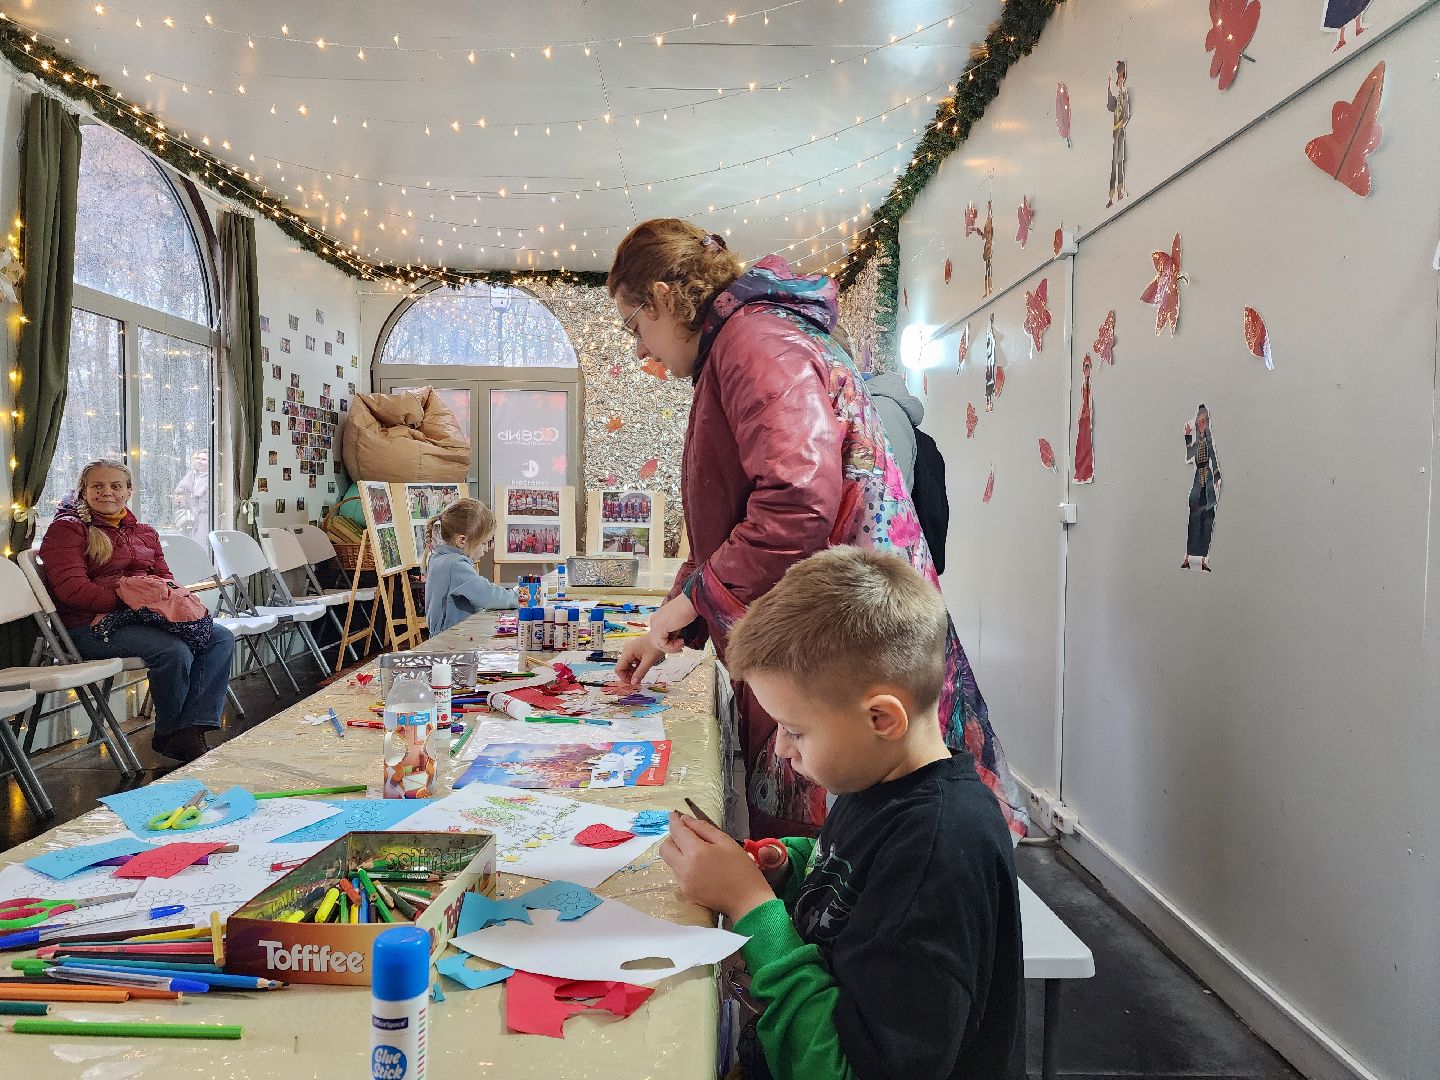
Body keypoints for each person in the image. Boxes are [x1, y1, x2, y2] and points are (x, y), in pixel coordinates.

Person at [608, 217, 1026, 842]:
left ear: (665, 299)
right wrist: (678, 611)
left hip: (839, 632)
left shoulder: (753, 343)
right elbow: (750, 514)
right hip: (841, 614)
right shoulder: (751, 339)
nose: (641, 349)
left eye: (634, 325)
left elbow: (795, 499)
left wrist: (696, 599)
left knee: (868, 842)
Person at [660, 548, 1024, 1080]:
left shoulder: (939, 851)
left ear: (881, 717)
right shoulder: (879, 780)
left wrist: (751, 906)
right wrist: (787, 865)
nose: (782, 749)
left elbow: (854, 1068)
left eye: (795, 729)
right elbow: (854, 871)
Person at [39, 459, 236, 762]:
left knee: (219, 637)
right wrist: (135, 601)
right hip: (89, 625)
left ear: (128, 491)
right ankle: (172, 732)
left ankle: (189, 729)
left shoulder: (143, 531)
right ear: (84, 491)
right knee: (174, 651)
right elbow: (72, 592)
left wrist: (164, 597)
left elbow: (164, 575)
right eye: (98, 486)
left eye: (116, 485)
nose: (107, 492)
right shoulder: (68, 529)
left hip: (142, 616)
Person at [424, 498, 518, 635]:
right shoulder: (455, 565)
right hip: (452, 640)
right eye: (483, 543)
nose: (485, 550)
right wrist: (519, 597)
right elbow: (487, 595)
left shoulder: (438, 558)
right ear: (462, 540)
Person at [1183, 404, 1221, 571]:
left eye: (1203, 421)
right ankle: (1191, 553)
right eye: (1199, 422)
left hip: (1209, 479)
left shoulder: (1209, 440)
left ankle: (1204, 556)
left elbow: (1213, 455)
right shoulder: (1197, 441)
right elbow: (1189, 455)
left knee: (1208, 516)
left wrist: (1218, 476)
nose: (1200, 424)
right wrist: (1187, 436)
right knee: (1194, 515)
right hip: (1199, 477)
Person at [170, 450, 210, 544]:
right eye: (197, 458)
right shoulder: (192, 474)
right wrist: (180, 497)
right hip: (191, 516)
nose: (199, 461)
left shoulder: (213, 477)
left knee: (202, 542)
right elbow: (180, 489)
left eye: (203, 459)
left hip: (205, 516)